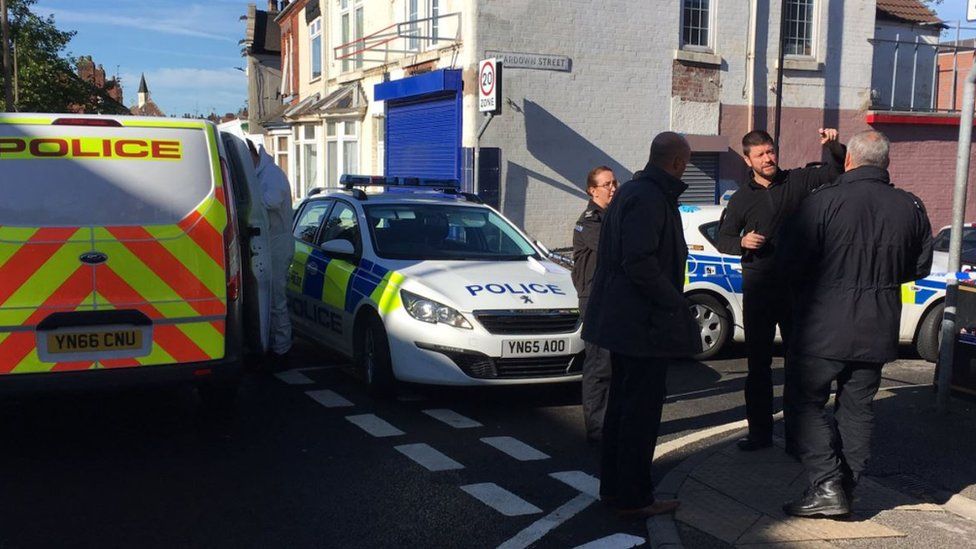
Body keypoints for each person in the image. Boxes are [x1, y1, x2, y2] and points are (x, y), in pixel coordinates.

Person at [781, 130, 932, 517]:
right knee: (857, 409)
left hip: (822, 326)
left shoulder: (823, 202)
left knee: (805, 403)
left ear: (849, 160)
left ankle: (828, 483)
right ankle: (844, 488)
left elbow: (792, 261)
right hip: (878, 325)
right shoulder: (911, 206)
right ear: (885, 163)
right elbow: (919, 267)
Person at [583, 132, 701, 519]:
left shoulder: (635, 192)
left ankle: (615, 491)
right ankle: (634, 497)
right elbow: (640, 263)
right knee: (638, 415)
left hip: (625, 322)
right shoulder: (650, 198)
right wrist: (675, 302)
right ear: (678, 163)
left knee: (621, 408)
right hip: (641, 325)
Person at [716, 128, 845, 453]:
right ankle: (759, 434)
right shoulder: (742, 198)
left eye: (771, 152)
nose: (769, 158)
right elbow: (724, 238)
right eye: (761, 154)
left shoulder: (797, 181)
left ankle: (796, 436)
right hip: (759, 289)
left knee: (798, 364)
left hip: (795, 288)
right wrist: (741, 242)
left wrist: (833, 146)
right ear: (748, 160)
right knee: (757, 366)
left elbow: (836, 171)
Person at [572, 165, 617, 445]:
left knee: (613, 363)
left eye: (615, 182)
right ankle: (597, 429)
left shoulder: (612, 216)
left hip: (613, 299)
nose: (613, 188)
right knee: (599, 365)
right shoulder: (590, 220)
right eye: (607, 184)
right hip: (595, 300)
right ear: (592, 190)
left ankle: (609, 422)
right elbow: (613, 246)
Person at [248, 139, 295, 363]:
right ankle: (273, 346)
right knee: (267, 297)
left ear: (253, 154)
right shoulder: (261, 173)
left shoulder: (272, 175)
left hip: (278, 242)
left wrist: (247, 199)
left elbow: (272, 201)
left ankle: (282, 350)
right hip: (268, 242)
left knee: (276, 297)